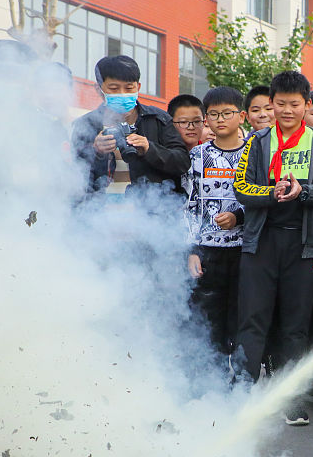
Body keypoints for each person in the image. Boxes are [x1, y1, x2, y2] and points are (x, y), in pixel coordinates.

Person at [232, 71, 313, 424]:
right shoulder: (257, 141)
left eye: (295, 104)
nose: (288, 111)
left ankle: (290, 398)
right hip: (261, 241)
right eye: (281, 104)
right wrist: (271, 193)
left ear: (307, 106)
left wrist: (302, 190)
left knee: (295, 326)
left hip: (304, 244)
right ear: (271, 105)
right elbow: (241, 188)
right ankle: (242, 393)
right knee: (253, 320)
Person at [186, 86, 249, 361]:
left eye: (227, 113)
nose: (220, 119)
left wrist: (237, 216)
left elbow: (264, 197)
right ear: (206, 119)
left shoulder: (256, 152)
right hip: (208, 251)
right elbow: (189, 204)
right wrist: (190, 250)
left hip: (246, 251)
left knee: (241, 318)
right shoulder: (197, 156)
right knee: (208, 321)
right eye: (213, 114)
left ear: (242, 116)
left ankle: (240, 380)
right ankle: (210, 380)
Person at [71, 55, 190, 199]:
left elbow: (182, 162)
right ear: (99, 88)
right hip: (97, 211)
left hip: (152, 211)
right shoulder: (86, 124)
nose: (122, 94)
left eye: (129, 88)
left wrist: (149, 149)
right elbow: (73, 172)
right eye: (114, 88)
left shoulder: (158, 119)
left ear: (138, 87)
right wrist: (95, 150)